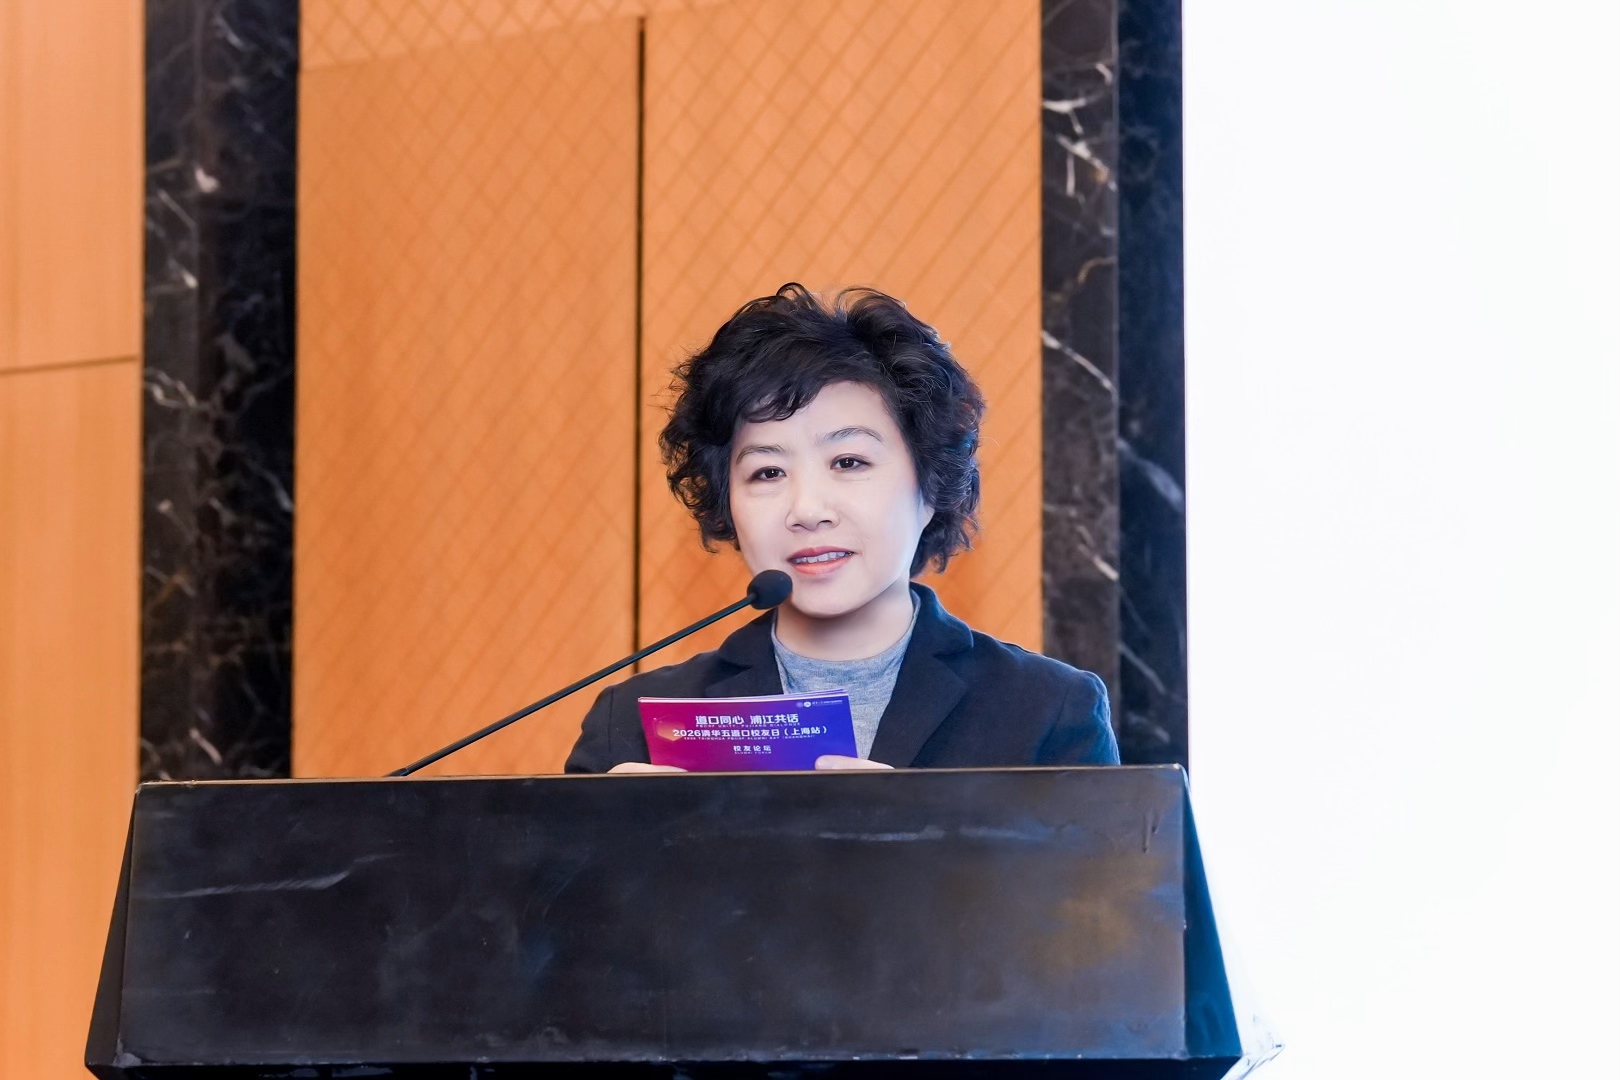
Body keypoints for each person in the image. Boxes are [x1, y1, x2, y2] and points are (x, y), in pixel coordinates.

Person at [565, 284, 1119, 773]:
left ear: (931, 486)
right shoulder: (630, 730)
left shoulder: (1046, 714)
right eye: (768, 472)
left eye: (849, 462)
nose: (807, 509)